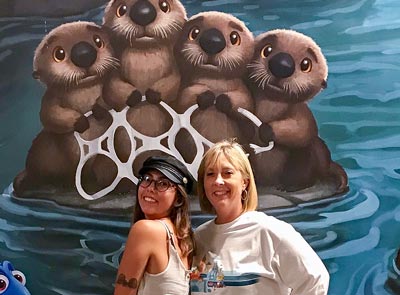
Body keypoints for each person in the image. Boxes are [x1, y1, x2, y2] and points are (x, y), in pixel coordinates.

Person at [190, 139, 330, 294]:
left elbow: (315, 279)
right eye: (210, 174)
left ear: (245, 182)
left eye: (227, 173)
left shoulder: (270, 231)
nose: (218, 181)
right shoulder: (199, 237)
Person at [114, 155, 195, 295]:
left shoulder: (145, 230)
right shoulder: (187, 239)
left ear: (179, 199)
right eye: (146, 179)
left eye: (163, 183)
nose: (151, 188)